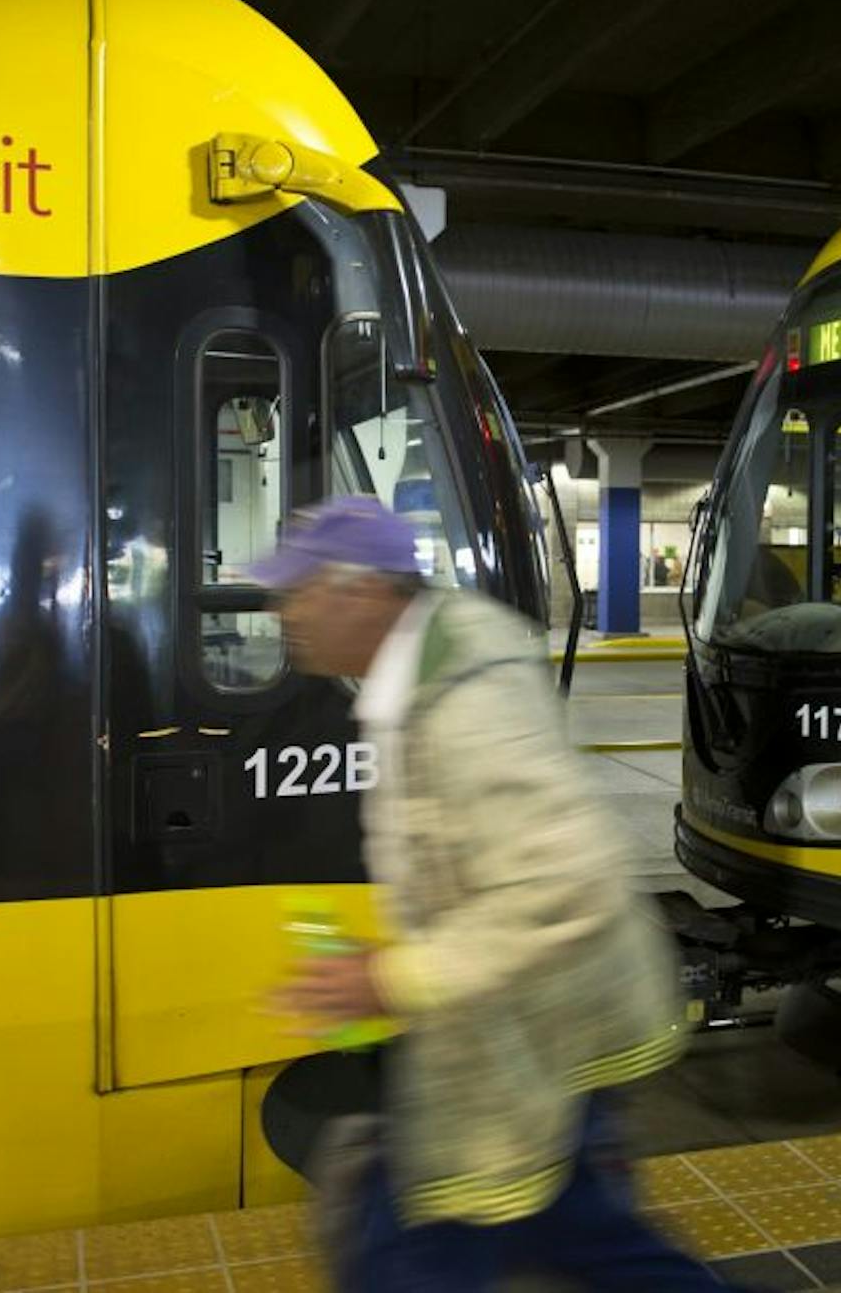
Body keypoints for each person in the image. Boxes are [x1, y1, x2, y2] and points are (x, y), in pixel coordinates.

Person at [262, 496, 722, 1291]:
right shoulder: (419, 662)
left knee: (425, 1236)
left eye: (296, 590)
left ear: (359, 592)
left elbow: (559, 882)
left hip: (532, 1027)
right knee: (588, 1235)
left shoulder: (465, 701)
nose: (282, 611)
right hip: (522, 1023)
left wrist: (389, 977)